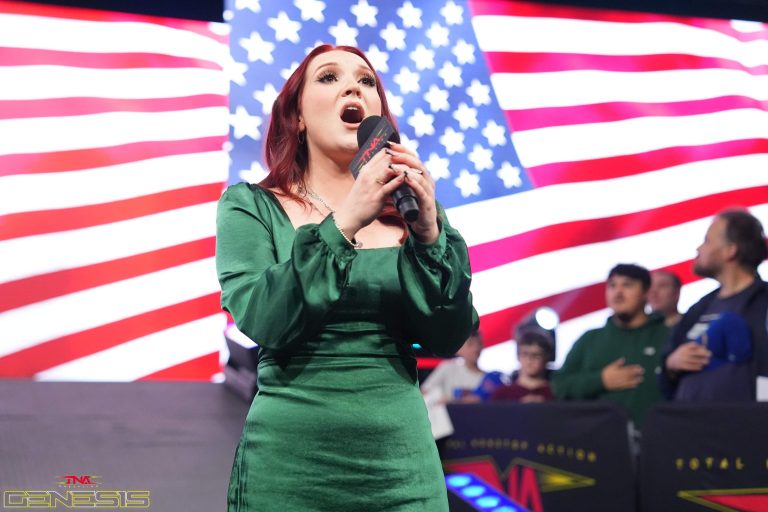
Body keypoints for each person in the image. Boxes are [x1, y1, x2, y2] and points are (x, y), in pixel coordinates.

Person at [215, 44, 478, 512]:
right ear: (298, 117)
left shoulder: (416, 216)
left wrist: (429, 237)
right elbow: (263, 319)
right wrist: (345, 222)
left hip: (402, 469)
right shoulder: (250, 206)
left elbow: (448, 336)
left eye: (366, 80)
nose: (353, 87)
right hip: (289, 466)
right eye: (329, 77)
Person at [659, 209, 768, 402]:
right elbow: (665, 374)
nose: (698, 249)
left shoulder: (763, 301)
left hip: (745, 420)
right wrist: (671, 365)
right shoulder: (699, 308)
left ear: (730, 250)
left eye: (707, 241)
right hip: (690, 419)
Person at [551, 264, 669, 427]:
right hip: (595, 437)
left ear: (646, 292)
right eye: (612, 285)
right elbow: (558, 386)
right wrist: (600, 380)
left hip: (656, 436)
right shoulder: (590, 339)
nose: (618, 293)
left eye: (627, 285)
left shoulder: (667, 336)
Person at [420, 331, 486, 404]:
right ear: (459, 348)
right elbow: (425, 391)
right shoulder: (448, 368)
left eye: (479, 344)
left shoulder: (487, 378)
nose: (476, 348)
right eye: (470, 344)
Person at [491, 327, 554, 403]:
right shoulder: (502, 394)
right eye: (525, 354)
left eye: (536, 355)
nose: (529, 360)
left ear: (547, 357)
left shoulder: (557, 393)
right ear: (518, 356)